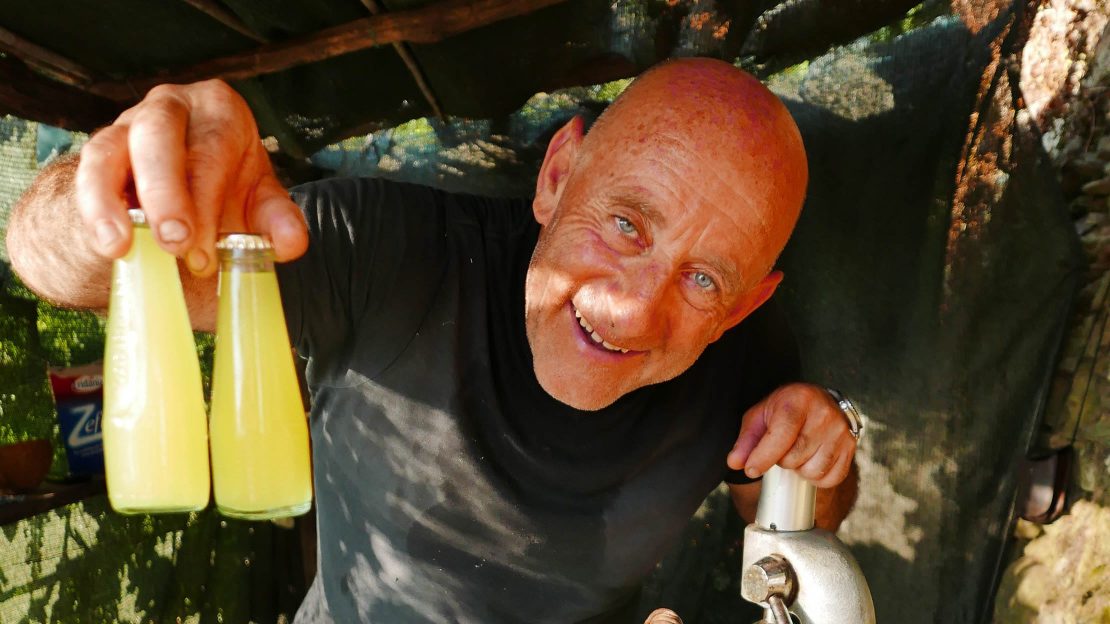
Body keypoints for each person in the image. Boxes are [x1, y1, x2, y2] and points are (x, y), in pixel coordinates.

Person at [7, 58, 861, 622]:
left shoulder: (750, 357)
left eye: (705, 279)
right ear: (558, 177)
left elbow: (789, 511)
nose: (638, 310)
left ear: (747, 304)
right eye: (628, 224)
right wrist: (122, 188)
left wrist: (820, 457)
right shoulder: (380, 250)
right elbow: (57, 266)